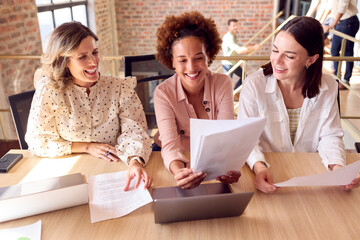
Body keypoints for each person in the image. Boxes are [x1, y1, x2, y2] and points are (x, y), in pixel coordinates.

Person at [238, 16, 360, 193]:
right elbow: (247, 138)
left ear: (310, 60)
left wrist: (337, 169)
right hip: (268, 169)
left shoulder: (328, 86)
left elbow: (330, 136)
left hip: (310, 174)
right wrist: (260, 167)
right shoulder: (254, 85)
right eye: (275, 50)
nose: (277, 61)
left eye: (289, 56)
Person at [25, 22, 152, 191]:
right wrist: (86, 147)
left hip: (113, 172)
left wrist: (135, 162)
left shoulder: (120, 87)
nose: (93, 62)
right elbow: (37, 141)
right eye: (82, 57)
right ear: (64, 61)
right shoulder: (49, 90)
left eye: (95, 53)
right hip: (67, 174)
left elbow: (135, 131)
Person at [154, 11, 241, 189]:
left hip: (210, 160)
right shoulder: (162, 93)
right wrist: (178, 172)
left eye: (198, 58)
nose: (191, 68)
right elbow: (170, 146)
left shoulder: (223, 83)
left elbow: (225, 137)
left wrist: (228, 168)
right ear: (172, 62)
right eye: (182, 60)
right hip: (174, 157)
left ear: (208, 55)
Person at [323, 0, 359, 89]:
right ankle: (336, 77)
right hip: (340, 22)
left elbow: (343, 7)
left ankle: (346, 80)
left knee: (347, 52)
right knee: (334, 50)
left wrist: (332, 25)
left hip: (348, 22)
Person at [221, 19, 261, 89]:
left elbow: (233, 52)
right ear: (228, 27)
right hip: (228, 63)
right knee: (227, 84)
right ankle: (230, 96)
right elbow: (239, 51)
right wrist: (254, 47)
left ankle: (234, 94)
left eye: (237, 25)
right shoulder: (229, 37)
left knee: (244, 77)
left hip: (232, 62)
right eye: (234, 26)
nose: (236, 27)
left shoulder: (232, 36)